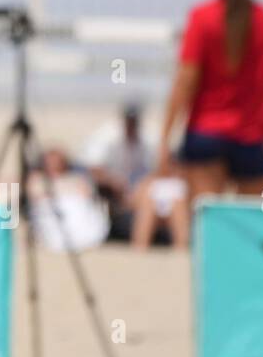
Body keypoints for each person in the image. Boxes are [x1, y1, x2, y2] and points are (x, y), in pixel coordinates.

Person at [158, 0, 263, 201]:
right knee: (253, 229)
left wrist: (165, 138)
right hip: (251, 135)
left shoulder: (202, 17)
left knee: (207, 224)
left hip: (206, 132)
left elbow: (185, 82)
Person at [81, 103, 189, 249]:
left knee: (162, 197)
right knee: (150, 198)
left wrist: (143, 185)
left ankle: (175, 248)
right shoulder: (107, 136)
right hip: (116, 194)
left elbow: (162, 167)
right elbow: (94, 169)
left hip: (142, 191)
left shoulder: (148, 139)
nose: (131, 125)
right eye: (129, 121)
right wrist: (115, 183)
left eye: (134, 121)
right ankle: (142, 246)